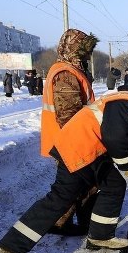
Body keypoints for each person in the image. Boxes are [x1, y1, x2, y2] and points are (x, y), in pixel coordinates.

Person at [0, 85, 128, 253]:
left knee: (114, 185)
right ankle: (10, 247)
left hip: (94, 154)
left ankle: (100, 236)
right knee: (60, 198)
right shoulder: (127, 103)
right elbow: (115, 138)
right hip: (77, 149)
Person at [41, 28, 99, 236]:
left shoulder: (73, 69)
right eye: (83, 51)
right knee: (74, 186)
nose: (86, 55)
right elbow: (69, 114)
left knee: (79, 185)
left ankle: (71, 222)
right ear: (74, 49)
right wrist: (84, 138)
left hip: (71, 139)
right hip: (70, 139)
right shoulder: (66, 73)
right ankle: (62, 223)